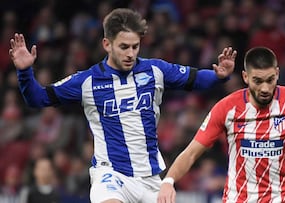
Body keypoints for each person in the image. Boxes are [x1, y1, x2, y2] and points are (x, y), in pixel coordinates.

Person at [9, 8, 237, 203]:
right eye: (124, 47)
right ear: (107, 44)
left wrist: (220, 76)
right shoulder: (87, 81)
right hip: (111, 175)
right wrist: (24, 72)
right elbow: (37, 98)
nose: (130, 54)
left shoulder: (155, 70)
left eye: (135, 47)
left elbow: (195, 79)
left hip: (150, 178)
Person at [157, 47, 285, 203]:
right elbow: (191, 152)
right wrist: (168, 181)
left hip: (284, 199)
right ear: (245, 77)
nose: (265, 88)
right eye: (258, 81)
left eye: (270, 80)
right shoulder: (227, 108)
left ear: (277, 73)